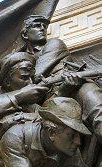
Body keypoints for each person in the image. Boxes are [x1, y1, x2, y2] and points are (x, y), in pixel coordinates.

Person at [21, 14, 102, 166]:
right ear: (25, 34)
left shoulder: (54, 44)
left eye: (44, 26)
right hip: (52, 100)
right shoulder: (20, 58)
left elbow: (36, 77)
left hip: (75, 86)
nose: (42, 29)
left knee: (97, 107)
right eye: (36, 25)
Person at [0, 52, 48, 159]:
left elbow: (48, 121)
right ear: (7, 81)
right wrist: (20, 95)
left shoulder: (30, 104)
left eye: (32, 78)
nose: (30, 83)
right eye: (24, 78)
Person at [0, 97, 91, 167]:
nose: (78, 142)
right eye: (72, 135)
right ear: (51, 132)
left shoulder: (68, 147)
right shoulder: (16, 137)